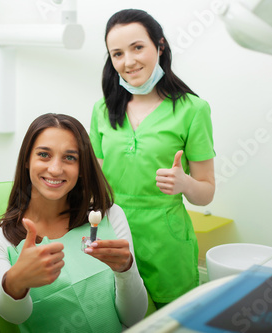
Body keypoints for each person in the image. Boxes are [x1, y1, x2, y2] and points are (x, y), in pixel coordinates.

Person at [0, 113, 147, 332]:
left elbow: (134, 317)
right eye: (44, 155)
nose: (55, 169)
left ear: (82, 168)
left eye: (70, 158)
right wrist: (16, 281)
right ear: (27, 160)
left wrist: (126, 270)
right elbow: (15, 315)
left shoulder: (109, 216)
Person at [89, 9, 216, 309]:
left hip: (166, 243)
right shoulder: (102, 110)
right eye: (117, 54)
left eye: (137, 47)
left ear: (159, 46)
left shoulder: (193, 110)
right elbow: (97, 181)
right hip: (113, 236)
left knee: (174, 319)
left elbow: (206, 192)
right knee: (117, 317)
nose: (128, 61)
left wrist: (184, 183)